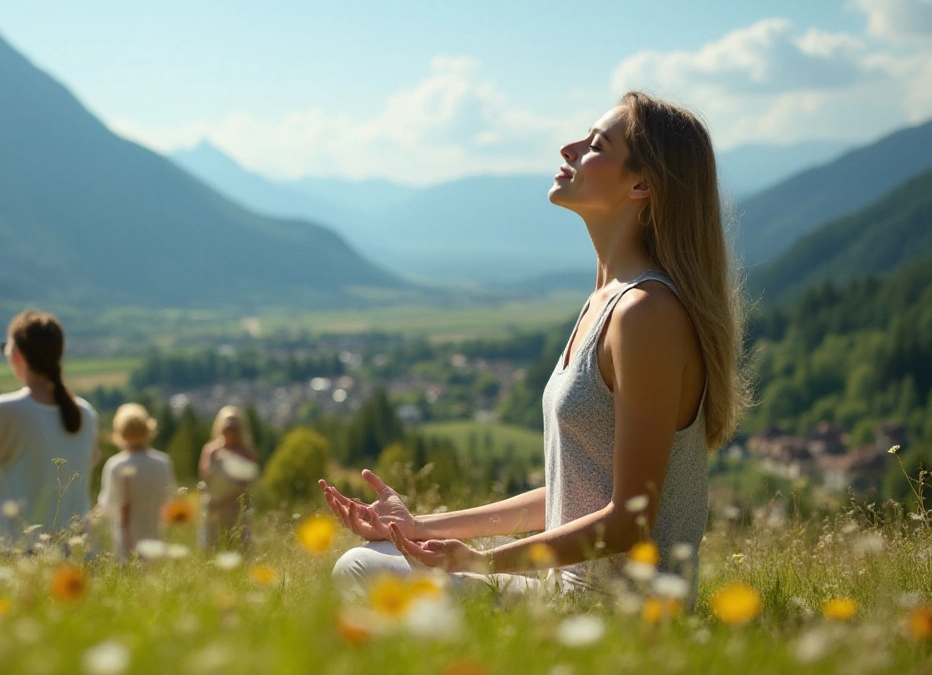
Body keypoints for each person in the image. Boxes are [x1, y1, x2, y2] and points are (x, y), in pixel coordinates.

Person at [323, 92, 748, 604]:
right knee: (386, 556)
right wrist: (418, 527)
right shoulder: (608, 302)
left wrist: (483, 562)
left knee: (362, 569)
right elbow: (573, 496)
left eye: (594, 145)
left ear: (641, 184)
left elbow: (631, 518)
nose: (567, 149)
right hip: (571, 595)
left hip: (621, 614)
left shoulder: (645, 316)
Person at [0, 311, 99, 547]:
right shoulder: (86, 413)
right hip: (77, 555)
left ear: (16, 355)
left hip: (20, 553)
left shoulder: (5, 409)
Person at [97, 403, 175, 561]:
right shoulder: (162, 462)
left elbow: (109, 506)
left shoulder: (116, 465)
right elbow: (171, 499)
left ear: (120, 433)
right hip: (156, 534)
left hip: (126, 540)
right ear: (148, 429)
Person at [198, 406, 259, 549]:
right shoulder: (211, 450)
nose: (230, 430)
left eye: (234, 426)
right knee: (211, 549)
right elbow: (204, 476)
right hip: (213, 507)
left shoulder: (247, 452)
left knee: (240, 547)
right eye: (227, 425)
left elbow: (248, 482)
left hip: (237, 509)